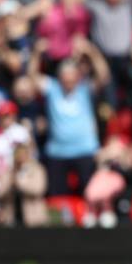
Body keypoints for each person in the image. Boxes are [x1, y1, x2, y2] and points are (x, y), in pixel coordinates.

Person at [28, 36, 110, 196]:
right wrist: (36, 54)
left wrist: (92, 53)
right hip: (58, 151)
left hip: (85, 150)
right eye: (65, 78)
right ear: (60, 78)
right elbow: (32, 77)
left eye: (72, 78)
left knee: (89, 195)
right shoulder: (53, 89)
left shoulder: (84, 89)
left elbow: (104, 76)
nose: (69, 82)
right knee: (58, 197)